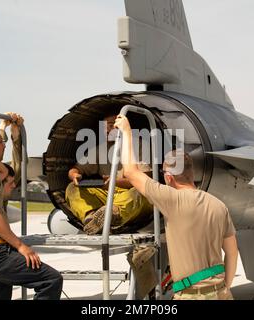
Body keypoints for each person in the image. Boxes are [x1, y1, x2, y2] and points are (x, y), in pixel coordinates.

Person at [114, 115, 239, 300]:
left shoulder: (171, 200)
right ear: (191, 173)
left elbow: (131, 173)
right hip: (221, 292)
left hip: (191, 296)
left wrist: (126, 131)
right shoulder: (219, 206)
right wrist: (225, 287)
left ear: (169, 178)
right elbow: (232, 252)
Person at [0, 117, 63, 300]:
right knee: (51, 279)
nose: (4, 146)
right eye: (1, 143)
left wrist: (10, 131)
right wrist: (21, 246)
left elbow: (13, 166)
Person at [65, 113, 153, 235]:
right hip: (108, 195)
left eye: (111, 125)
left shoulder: (139, 145)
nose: (107, 129)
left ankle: (113, 214)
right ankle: (92, 217)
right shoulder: (99, 149)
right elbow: (75, 169)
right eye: (104, 126)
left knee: (140, 192)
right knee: (72, 188)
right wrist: (75, 175)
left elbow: (145, 180)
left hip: (129, 195)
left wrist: (114, 182)